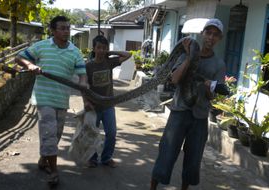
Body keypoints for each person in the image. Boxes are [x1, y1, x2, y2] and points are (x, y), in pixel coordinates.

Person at [150, 18, 227, 190]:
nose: (211, 38)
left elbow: (212, 96)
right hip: (179, 111)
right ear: (202, 34)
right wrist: (189, 58)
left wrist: (208, 87)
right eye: (208, 33)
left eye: (215, 35)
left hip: (199, 117)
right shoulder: (185, 54)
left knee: (193, 159)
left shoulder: (219, 64)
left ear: (219, 39)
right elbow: (175, 79)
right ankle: (152, 187)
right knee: (167, 153)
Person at [15, 16, 87, 186]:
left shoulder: (75, 51)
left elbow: (82, 74)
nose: (66, 31)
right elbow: (18, 58)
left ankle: (43, 160)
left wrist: (83, 84)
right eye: (62, 28)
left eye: (68, 28)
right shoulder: (41, 46)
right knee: (48, 133)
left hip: (61, 100)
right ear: (53, 31)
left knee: (55, 135)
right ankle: (54, 171)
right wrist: (29, 65)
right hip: (43, 98)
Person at [85, 35, 131, 168]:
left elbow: (128, 55)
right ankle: (92, 158)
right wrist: (86, 103)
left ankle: (106, 158)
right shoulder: (88, 66)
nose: (101, 50)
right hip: (94, 106)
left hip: (108, 106)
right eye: (98, 47)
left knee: (111, 133)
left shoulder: (109, 62)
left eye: (104, 48)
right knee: (92, 134)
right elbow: (84, 86)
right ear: (94, 48)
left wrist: (110, 53)